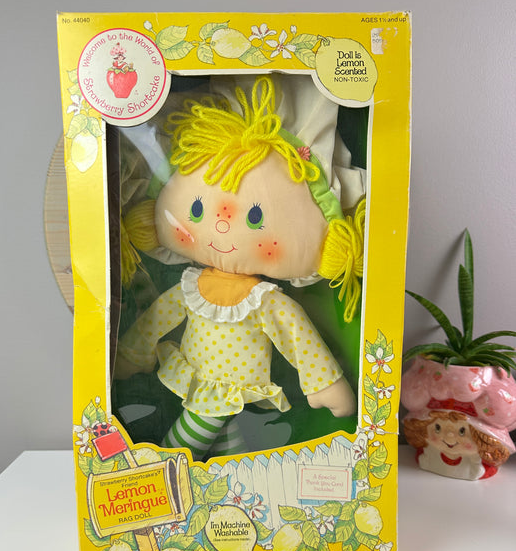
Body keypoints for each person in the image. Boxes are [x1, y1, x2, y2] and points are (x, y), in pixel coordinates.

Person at [115, 75, 365, 460]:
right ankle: (228, 479)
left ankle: (166, 465)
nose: (220, 225)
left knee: (196, 431)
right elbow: (157, 317)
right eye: (197, 209)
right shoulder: (190, 287)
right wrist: (134, 352)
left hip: (231, 384)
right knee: (225, 439)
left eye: (254, 218)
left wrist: (323, 384)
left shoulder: (266, 301)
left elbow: (298, 337)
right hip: (201, 376)